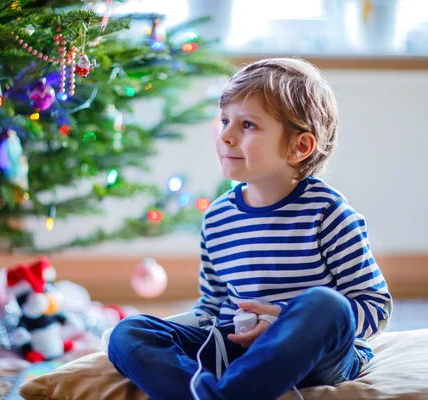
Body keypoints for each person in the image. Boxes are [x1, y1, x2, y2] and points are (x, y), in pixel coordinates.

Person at [107, 58, 393, 400]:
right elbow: (211, 307)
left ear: (299, 147)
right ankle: (207, 394)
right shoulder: (217, 219)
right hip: (237, 350)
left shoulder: (327, 212)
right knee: (129, 332)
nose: (226, 136)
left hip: (315, 357)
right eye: (226, 120)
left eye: (248, 125)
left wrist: (286, 320)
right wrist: (175, 331)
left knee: (326, 305)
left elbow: (374, 304)